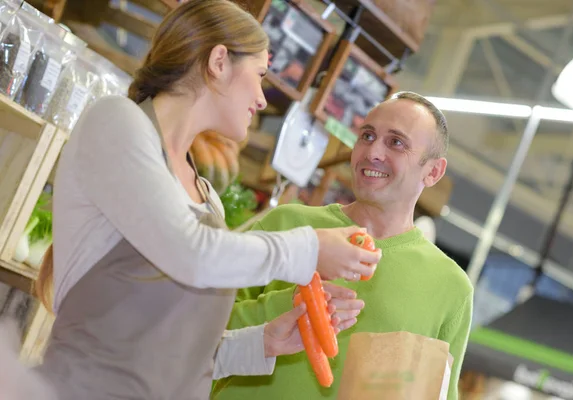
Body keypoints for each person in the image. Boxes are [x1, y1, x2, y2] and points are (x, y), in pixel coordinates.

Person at [0, 1, 382, 399]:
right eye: (259, 75)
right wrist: (310, 248)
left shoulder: (208, 202)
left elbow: (171, 355)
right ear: (219, 61)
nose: (263, 99)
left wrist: (264, 341)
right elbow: (192, 253)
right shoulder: (116, 122)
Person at [212, 91, 474, 400]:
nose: (372, 152)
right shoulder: (286, 224)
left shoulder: (451, 289)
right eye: (367, 135)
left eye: (396, 142)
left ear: (433, 171)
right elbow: (197, 323)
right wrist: (295, 306)